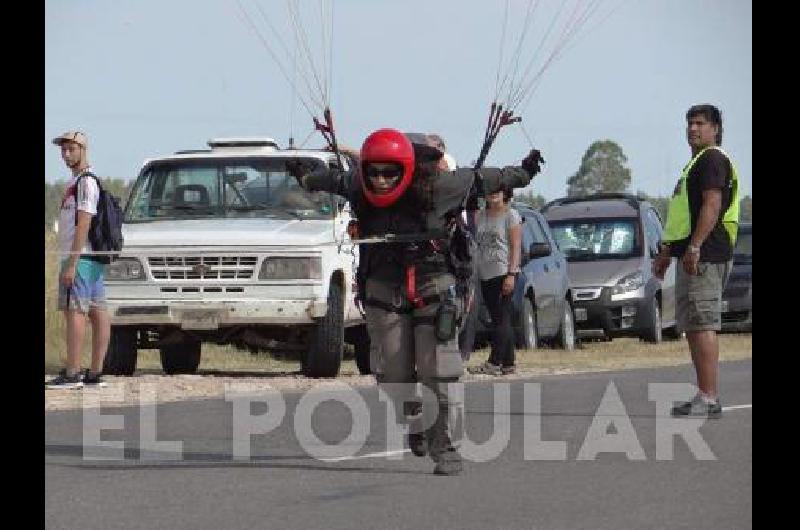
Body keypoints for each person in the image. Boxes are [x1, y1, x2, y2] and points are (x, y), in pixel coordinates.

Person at [289, 129, 542, 475]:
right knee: (392, 372)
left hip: (432, 285)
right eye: (373, 172)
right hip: (384, 290)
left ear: (406, 170)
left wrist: (524, 172)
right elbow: (329, 179)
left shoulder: (441, 187)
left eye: (389, 173)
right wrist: (305, 175)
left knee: (438, 369)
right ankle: (417, 420)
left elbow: (488, 179)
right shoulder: (358, 184)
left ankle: (445, 445)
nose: (380, 180)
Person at [652, 104, 740, 418]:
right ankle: (704, 393)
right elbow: (681, 218)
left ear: (715, 129)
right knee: (693, 325)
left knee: (702, 325)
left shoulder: (713, 159)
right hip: (691, 254)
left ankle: (709, 396)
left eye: (700, 124)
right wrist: (667, 252)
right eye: (689, 123)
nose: (693, 129)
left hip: (706, 254)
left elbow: (712, 205)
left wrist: (695, 247)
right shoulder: (696, 164)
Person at [46, 131, 110, 389]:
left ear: (83, 149)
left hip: (80, 258)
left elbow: (84, 222)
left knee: (76, 312)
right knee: (97, 311)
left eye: (71, 149)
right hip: (90, 259)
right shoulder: (79, 181)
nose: (66, 154)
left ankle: (73, 372)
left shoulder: (85, 182)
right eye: (63, 150)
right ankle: (95, 372)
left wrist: (71, 263)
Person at [471, 185, 523, 375]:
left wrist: (511, 274)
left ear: (505, 193)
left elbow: (516, 247)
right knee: (499, 318)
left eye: (498, 190)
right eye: (490, 189)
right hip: (485, 273)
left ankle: (494, 362)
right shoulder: (481, 216)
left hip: (503, 272)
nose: (493, 193)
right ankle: (509, 363)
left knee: (501, 318)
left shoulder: (511, 216)